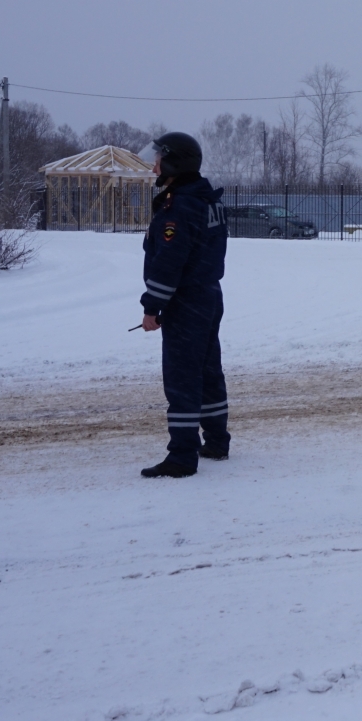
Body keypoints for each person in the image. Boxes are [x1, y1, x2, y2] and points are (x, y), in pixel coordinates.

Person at [138, 132, 230, 478]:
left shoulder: (180, 206)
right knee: (207, 370)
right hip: (208, 294)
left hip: (186, 298)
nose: (154, 164)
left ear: (176, 162)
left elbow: (170, 262)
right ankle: (217, 440)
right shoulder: (206, 199)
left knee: (182, 376)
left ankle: (181, 456)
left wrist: (152, 306)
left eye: (159, 158)